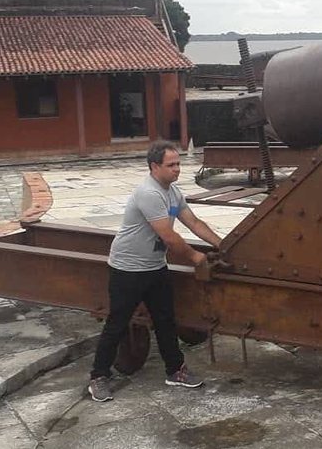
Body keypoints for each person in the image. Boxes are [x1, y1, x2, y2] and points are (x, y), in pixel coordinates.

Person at [88, 140, 224, 402]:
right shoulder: (149, 193)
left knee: (165, 320)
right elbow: (168, 236)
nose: (177, 169)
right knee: (117, 323)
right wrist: (196, 257)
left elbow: (194, 222)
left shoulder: (173, 192)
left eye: (178, 164)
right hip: (128, 268)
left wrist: (222, 244)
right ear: (154, 167)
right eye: (171, 165)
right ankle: (98, 377)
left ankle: (175, 370)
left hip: (154, 266)